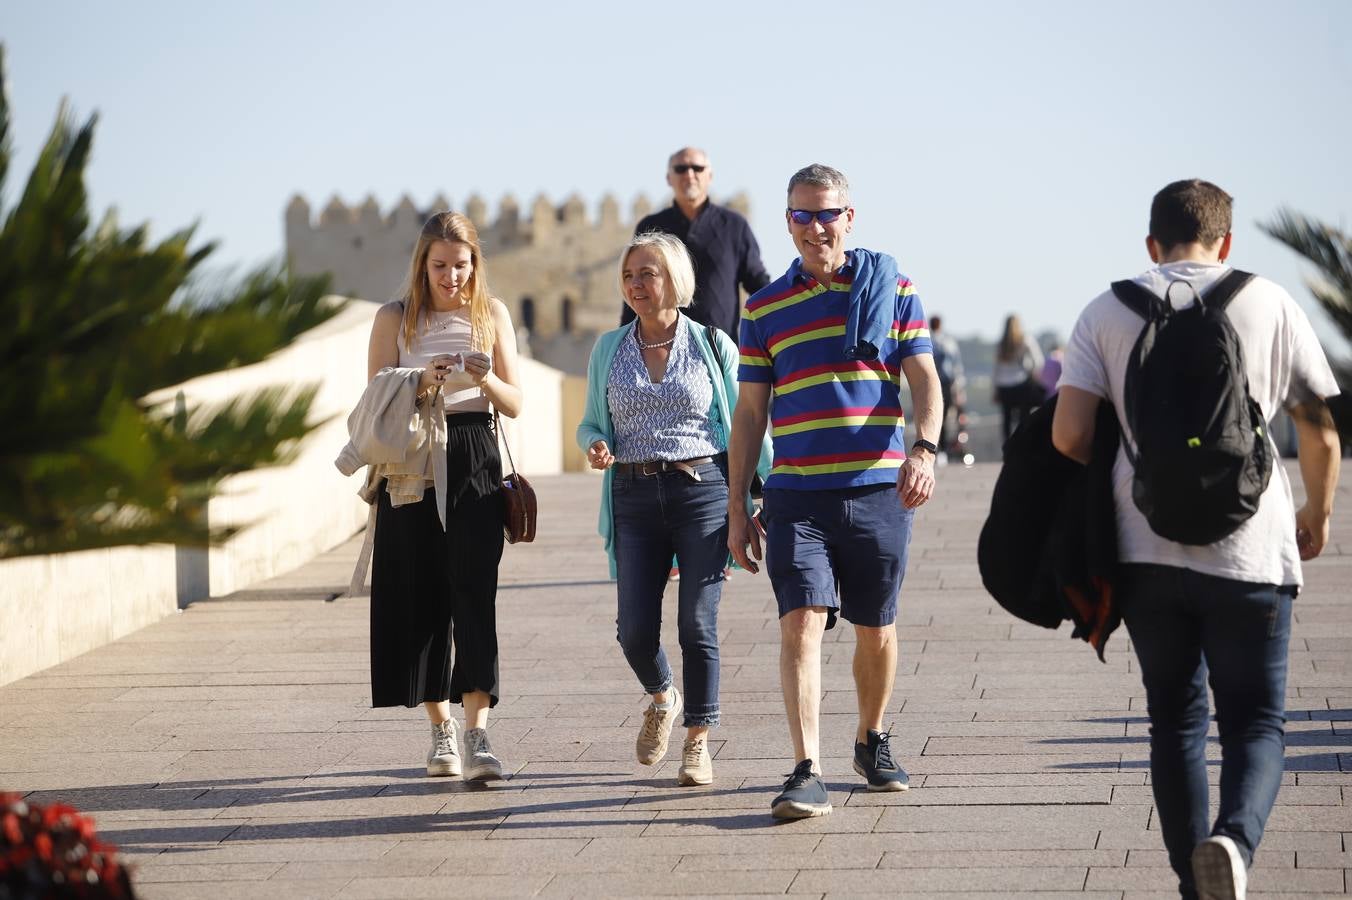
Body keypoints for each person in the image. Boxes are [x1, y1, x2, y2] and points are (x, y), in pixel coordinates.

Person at [1052, 179, 1341, 900]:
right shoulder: (1270, 301)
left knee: (1174, 720)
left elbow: (1070, 435)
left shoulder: (1108, 309)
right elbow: (1321, 431)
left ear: (1151, 244)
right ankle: (1234, 845)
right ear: (1228, 241)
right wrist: (1318, 513)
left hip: (1146, 548)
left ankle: (1195, 882)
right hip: (1253, 546)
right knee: (1255, 721)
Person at [726, 164, 942, 819]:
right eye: (801, 215)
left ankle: (871, 739)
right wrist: (738, 505)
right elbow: (750, 415)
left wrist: (925, 450)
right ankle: (805, 768)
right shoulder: (763, 308)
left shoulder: (894, 289)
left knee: (876, 630)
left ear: (850, 217)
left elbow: (925, 381)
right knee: (802, 624)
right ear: (786, 222)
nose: (815, 227)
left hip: (879, 491)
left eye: (827, 214)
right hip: (797, 498)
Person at [579, 232, 768, 787]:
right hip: (632, 496)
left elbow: (745, 424)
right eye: (630, 275)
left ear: (675, 281)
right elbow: (592, 419)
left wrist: (752, 499)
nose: (637, 284)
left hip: (703, 491)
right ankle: (664, 696)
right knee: (634, 630)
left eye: (649, 273)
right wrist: (593, 443)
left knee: (696, 623)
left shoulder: (714, 344)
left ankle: (698, 739)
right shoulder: (608, 349)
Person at [364, 212, 522, 781]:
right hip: (412, 462)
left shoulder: (492, 314)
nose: (451, 276)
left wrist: (481, 379)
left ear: (474, 263)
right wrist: (424, 380)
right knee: (422, 596)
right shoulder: (395, 317)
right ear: (422, 264)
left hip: (475, 454)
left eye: (461, 265)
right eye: (439, 265)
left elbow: (514, 401)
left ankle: (479, 732)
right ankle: (441, 731)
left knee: (474, 593)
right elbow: (375, 394)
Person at [620, 147, 771, 340]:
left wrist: (777, 328)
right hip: (659, 351)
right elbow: (634, 288)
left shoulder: (734, 226)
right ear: (669, 178)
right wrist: (621, 343)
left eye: (697, 168)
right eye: (681, 169)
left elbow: (758, 283)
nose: (689, 175)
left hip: (718, 351)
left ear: (710, 176)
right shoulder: (651, 227)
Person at [992, 314, 1045, 443]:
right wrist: (1031, 372)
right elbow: (1038, 361)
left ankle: (1007, 447)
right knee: (1023, 417)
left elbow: (996, 369)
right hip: (1020, 383)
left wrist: (995, 389)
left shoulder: (1001, 344)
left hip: (1004, 385)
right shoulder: (1025, 340)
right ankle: (1023, 444)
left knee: (1007, 418)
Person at [929, 315, 966, 460]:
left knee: (937, 415)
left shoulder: (929, 340)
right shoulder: (948, 343)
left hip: (936, 382)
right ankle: (944, 448)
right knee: (945, 417)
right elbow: (957, 367)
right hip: (947, 383)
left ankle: (940, 448)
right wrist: (959, 387)